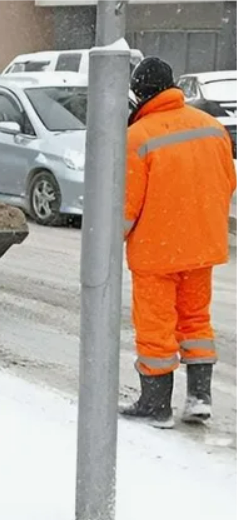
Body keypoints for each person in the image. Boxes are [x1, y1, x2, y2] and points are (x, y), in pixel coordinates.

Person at [120, 57, 236, 428]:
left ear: (139, 93)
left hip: (157, 252)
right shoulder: (212, 127)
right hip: (201, 247)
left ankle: (156, 405)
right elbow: (227, 183)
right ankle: (199, 398)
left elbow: (126, 206)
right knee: (196, 320)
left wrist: (109, 240)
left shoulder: (138, 137)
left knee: (155, 327)